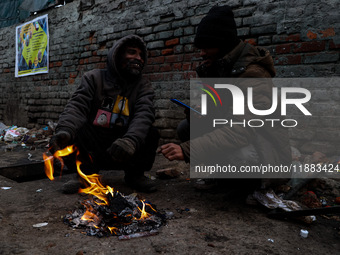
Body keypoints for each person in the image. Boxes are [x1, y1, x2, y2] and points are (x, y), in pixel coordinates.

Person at [160, 5, 292, 189]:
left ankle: (251, 187)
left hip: (267, 153)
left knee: (239, 156)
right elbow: (217, 114)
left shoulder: (254, 75)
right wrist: (200, 113)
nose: (202, 53)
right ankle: (223, 177)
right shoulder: (217, 69)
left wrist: (187, 149)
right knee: (187, 128)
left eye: (207, 47)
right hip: (245, 139)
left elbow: (241, 129)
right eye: (200, 47)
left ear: (223, 44)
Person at [50, 34, 159, 193]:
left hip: (123, 148)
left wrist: (131, 141)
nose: (139, 58)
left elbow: (144, 113)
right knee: (76, 129)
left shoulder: (143, 86)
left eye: (141, 55)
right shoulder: (94, 78)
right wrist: (65, 131)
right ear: (118, 55)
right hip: (96, 145)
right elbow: (77, 106)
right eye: (132, 53)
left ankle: (135, 175)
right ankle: (85, 175)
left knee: (150, 132)